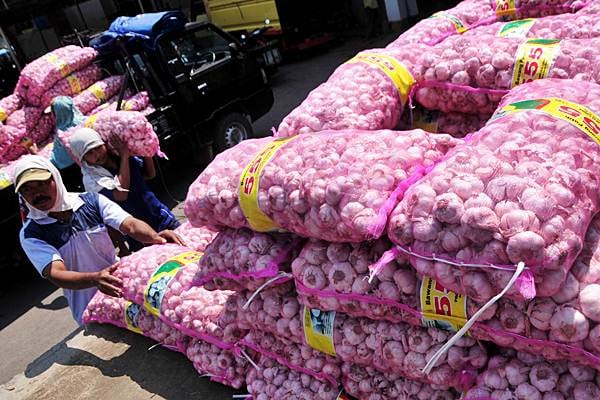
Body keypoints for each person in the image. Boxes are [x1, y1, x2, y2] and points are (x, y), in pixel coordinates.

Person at [15, 155, 184, 324]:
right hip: (90, 310)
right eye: (27, 189)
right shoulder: (31, 233)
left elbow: (129, 224)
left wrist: (154, 237)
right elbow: (56, 273)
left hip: (124, 290)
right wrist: (95, 279)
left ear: (55, 178)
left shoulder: (91, 201)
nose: (37, 193)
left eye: (42, 184)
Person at [68, 127, 180, 251]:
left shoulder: (122, 158)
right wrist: (125, 156)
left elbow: (149, 174)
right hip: (139, 234)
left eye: (98, 148)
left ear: (104, 144)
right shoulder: (92, 180)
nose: (97, 155)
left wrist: (145, 149)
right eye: (89, 153)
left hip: (161, 216)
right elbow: (122, 194)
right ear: (83, 159)